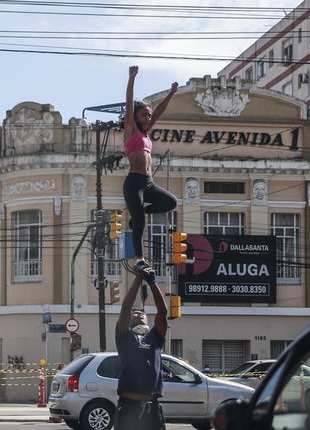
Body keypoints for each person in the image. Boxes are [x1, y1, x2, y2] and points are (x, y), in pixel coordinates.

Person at [123, 65, 179, 273]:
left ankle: (140, 213)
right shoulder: (131, 131)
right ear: (136, 118)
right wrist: (131, 78)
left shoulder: (146, 134)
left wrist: (172, 93)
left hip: (148, 182)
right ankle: (140, 259)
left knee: (170, 202)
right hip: (134, 182)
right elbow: (129, 105)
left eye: (149, 115)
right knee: (139, 222)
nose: (148, 118)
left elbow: (159, 112)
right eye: (144, 115)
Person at [114, 266, 168, 429]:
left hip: (151, 408)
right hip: (128, 407)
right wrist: (138, 278)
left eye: (142, 313)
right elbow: (125, 308)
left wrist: (152, 282)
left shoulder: (156, 337)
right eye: (135, 313)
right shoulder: (125, 336)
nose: (138, 313)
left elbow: (162, 312)